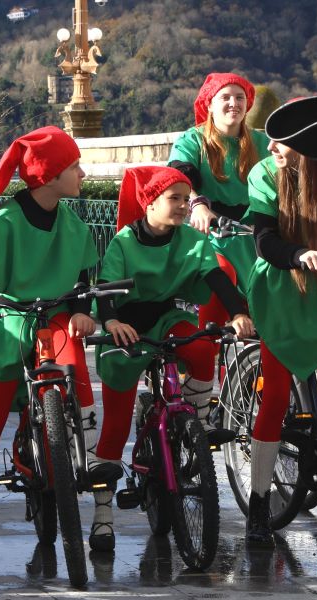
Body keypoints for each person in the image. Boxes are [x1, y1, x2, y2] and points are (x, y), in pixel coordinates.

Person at [0, 126, 99, 560]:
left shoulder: (72, 222)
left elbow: (84, 278)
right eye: (74, 167)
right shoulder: (4, 221)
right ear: (48, 177)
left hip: (54, 314)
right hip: (5, 318)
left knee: (75, 363)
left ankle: (85, 461)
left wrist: (85, 310)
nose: (82, 174)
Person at [93, 166, 253, 552]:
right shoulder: (123, 241)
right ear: (149, 202)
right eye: (175, 199)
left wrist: (238, 313)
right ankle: (101, 516)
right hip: (127, 327)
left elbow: (217, 279)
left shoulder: (190, 241)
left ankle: (193, 425)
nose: (184, 206)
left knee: (201, 347)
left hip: (167, 320)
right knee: (115, 425)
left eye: (187, 199)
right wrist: (112, 320)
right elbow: (106, 290)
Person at [244, 137, 317, 545]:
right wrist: (300, 255)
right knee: (275, 395)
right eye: (270, 140)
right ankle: (259, 503)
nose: (273, 148)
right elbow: (264, 240)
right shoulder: (264, 174)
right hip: (284, 296)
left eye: (284, 142)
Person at [168, 73, 270, 332]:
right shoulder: (192, 140)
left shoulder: (261, 143)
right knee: (220, 277)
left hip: (250, 232)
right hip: (206, 231)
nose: (233, 103)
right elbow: (180, 176)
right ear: (209, 104)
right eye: (225, 97)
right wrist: (197, 204)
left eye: (240, 98)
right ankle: (203, 353)